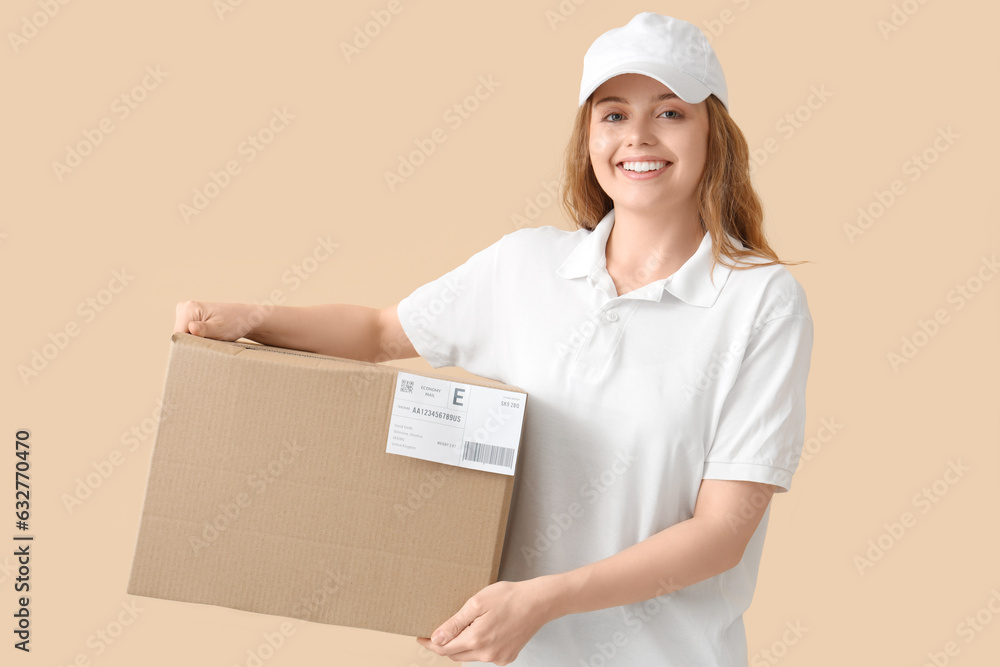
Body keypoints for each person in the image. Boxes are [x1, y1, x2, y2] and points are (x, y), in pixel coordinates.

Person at [174, 12, 814, 666]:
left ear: (715, 133)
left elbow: (720, 534)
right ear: (588, 136)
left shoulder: (758, 301)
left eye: (671, 112)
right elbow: (376, 333)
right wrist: (252, 319)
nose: (638, 137)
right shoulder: (524, 267)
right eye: (614, 114)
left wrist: (541, 600)